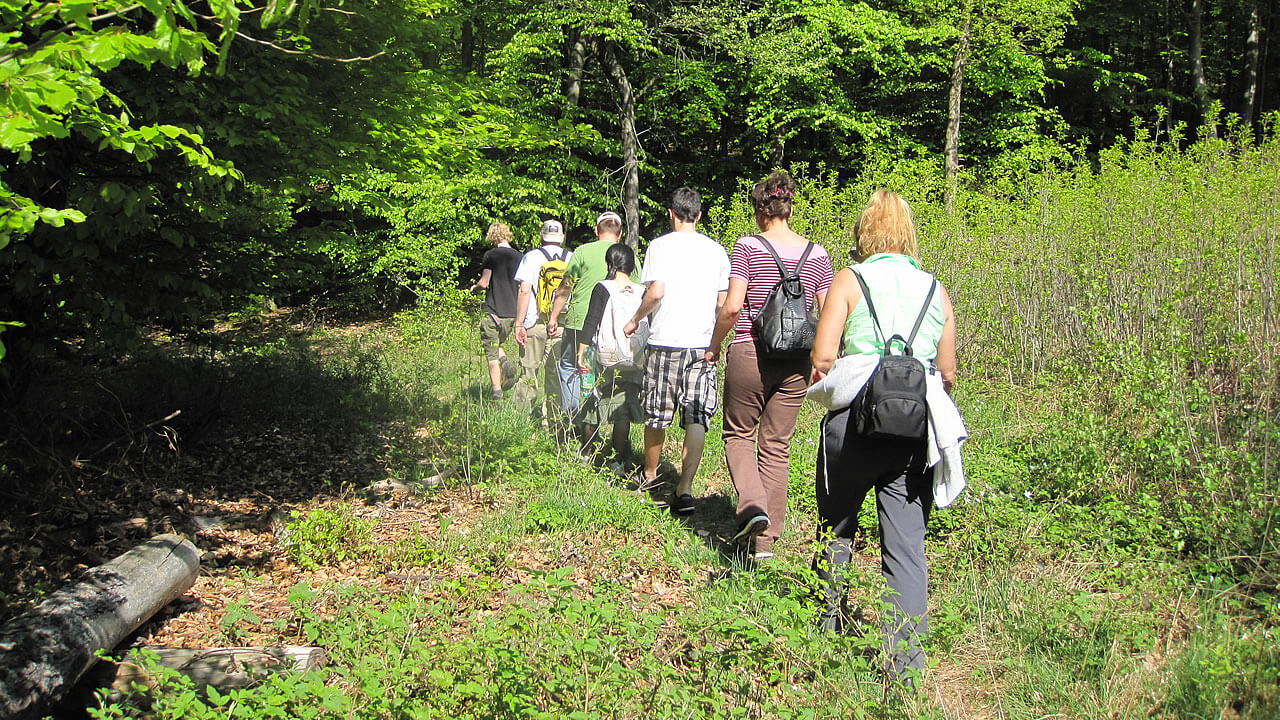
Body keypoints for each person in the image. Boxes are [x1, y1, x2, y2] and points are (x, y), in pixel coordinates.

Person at [808, 189, 958, 683]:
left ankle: (822, 637)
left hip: (853, 422)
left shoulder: (850, 280)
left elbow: (823, 357)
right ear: (909, 233)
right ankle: (908, 669)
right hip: (914, 432)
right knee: (907, 548)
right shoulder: (935, 289)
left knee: (836, 528)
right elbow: (949, 372)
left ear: (865, 232)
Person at [707, 171, 833, 560]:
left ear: (760, 210)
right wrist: (823, 361)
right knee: (777, 446)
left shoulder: (747, 246)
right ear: (789, 207)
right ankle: (765, 542)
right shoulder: (819, 254)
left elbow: (732, 306)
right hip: (796, 360)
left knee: (738, 435)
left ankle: (753, 506)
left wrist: (714, 346)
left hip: (750, 350)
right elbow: (828, 314)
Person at [623, 187, 729, 515]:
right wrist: (717, 341)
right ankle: (684, 489)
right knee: (697, 415)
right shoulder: (717, 252)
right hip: (701, 344)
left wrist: (634, 319)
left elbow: (656, 292)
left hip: (665, 339)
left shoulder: (659, 246)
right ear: (699, 214)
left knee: (656, 412)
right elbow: (724, 304)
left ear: (671, 213)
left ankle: (650, 476)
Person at [548, 211, 624, 446]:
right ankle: (594, 431)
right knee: (598, 376)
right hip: (610, 326)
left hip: (578, 322)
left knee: (571, 369)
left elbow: (565, 287)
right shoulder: (626, 255)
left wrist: (553, 316)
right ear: (620, 234)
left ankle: (573, 425)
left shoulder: (581, 252)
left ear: (596, 230)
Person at [575, 243, 645, 471]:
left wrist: (581, 351)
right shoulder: (642, 290)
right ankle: (619, 460)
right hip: (633, 357)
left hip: (603, 355)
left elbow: (591, 321)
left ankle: (586, 453)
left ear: (610, 263)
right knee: (622, 408)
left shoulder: (603, 287)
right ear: (632, 265)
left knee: (591, 403)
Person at [513, 220, 572, 423]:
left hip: (535, 322)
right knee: (555, 375)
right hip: (562, 324)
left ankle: (521, 421)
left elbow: (524, 290)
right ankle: (554, 422)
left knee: (529, 372)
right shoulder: (572, 258)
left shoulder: (531, 257)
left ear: (541, 236)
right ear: (563, 237)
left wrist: (519, 324)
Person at [469, 222, 523, 400]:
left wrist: (475, 288)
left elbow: (484, 282)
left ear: (492, 236)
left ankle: (497, 393)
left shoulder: (491, 255)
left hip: (494, 312)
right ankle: (505, 362)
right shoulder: (519, 256)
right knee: (496, 344)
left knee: (491, 353)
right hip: (513, 314)